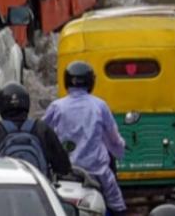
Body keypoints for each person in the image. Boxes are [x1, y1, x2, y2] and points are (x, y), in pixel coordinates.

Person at [44, 62, 127, 215]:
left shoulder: (57, 106)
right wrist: (121, 149)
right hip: (97, 172)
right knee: (118, 206)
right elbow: (113, 138)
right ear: (91, 81)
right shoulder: (99, 106)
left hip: (64, 173)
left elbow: (44, 132)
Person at [0, 83, 72, 178]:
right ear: (27, 102)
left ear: (0, 105)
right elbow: (63, 167)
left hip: (6, 189)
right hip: (37, 188)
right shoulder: (41, 128)